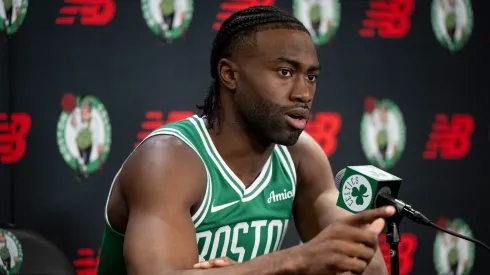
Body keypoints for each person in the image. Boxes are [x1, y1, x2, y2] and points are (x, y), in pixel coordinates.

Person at [96, 5, 394, 275]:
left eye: (311, 76)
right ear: (229, 74)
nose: (303, 93)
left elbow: (368, 270)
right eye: (285, 72)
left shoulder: (301, 158)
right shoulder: (168, 160)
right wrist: (292, 262)